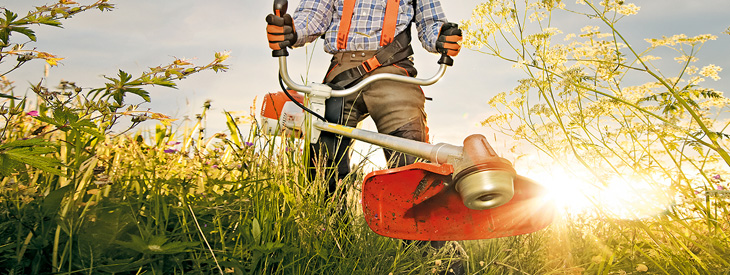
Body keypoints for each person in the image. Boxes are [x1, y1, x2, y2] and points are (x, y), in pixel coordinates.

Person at [266, 1, 464, 273]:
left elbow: (431, 24)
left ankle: (433, 262)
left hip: (394, 71)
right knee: (324, 163)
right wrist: (291, 30)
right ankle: (333, 250)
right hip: (342, 75)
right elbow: (313, 16)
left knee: (412, 167)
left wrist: (442, 36)